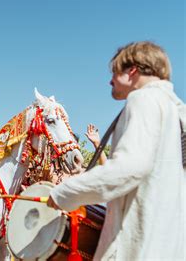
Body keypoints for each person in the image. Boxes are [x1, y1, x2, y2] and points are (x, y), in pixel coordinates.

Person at [47, 41, 185, 260]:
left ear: (133, 70)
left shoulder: (144, 99)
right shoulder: (176, 111)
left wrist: (64, 193)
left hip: (140, 247)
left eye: (114, 72)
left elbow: (129, 168)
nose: (110, 80)